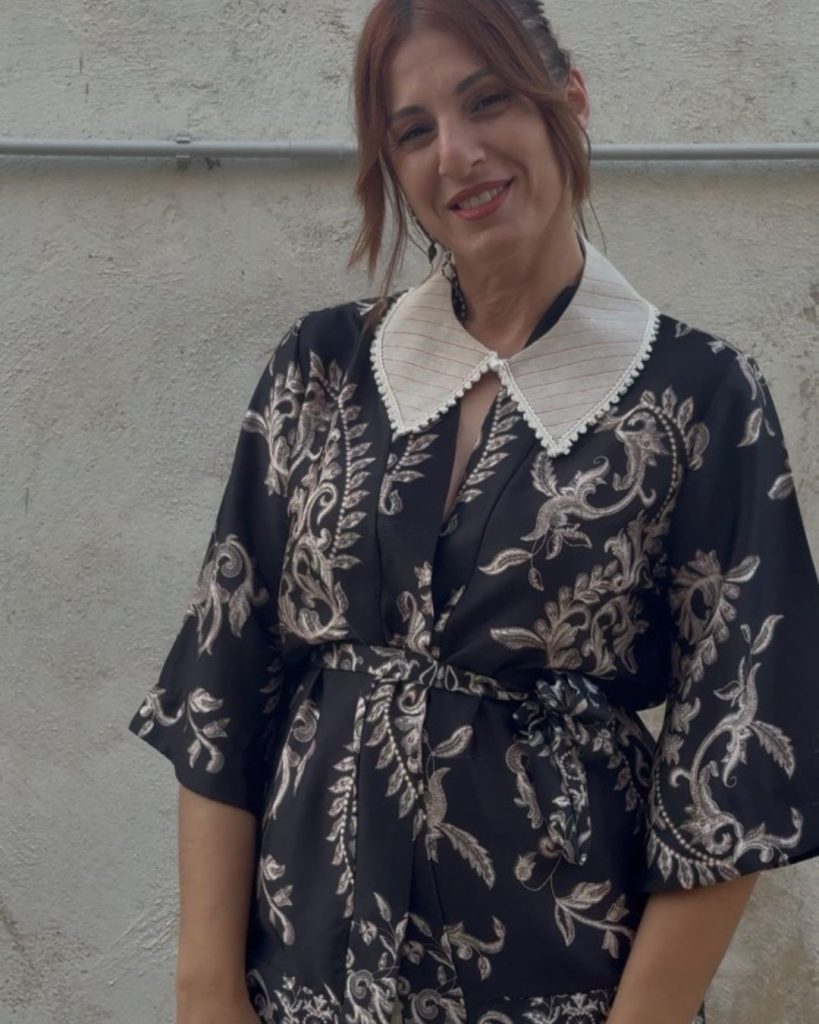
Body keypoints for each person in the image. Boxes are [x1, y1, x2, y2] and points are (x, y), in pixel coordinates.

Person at [128, 2, 819, 1023]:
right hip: (306, 977)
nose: (456, 154)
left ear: (567, 101)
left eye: (487, 101)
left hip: (562, 983)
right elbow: (221, 683)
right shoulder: (321, 370)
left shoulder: (699, 397)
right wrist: (204, 991)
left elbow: (738, 749)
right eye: (413, 130)